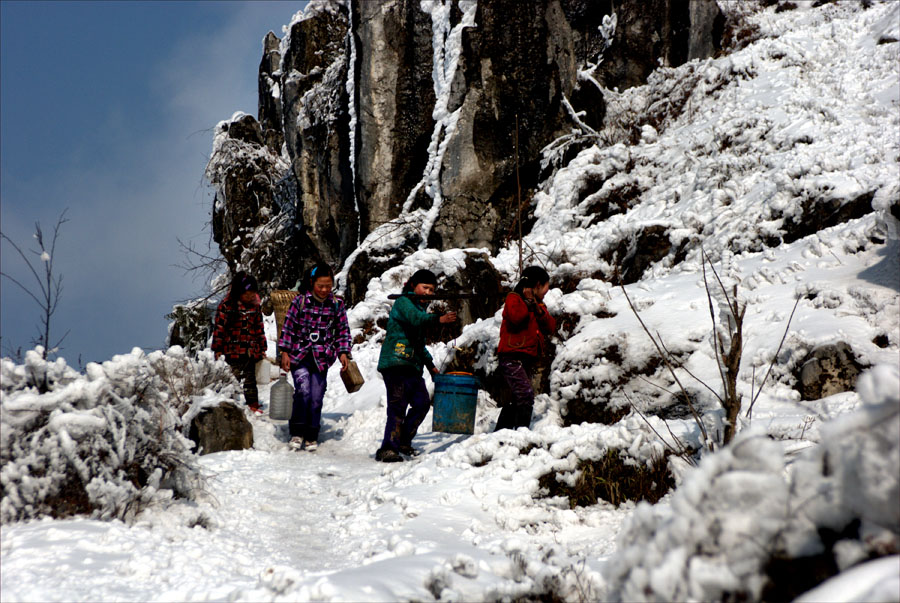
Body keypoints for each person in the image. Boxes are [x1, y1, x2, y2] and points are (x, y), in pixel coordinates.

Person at [376, 269, 457, 462]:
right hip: (395, 364)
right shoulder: (404, 303)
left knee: (421, 404)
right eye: (425, 288)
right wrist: (439, 319)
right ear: (413, 285)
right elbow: (416, 319)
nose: (428, 293)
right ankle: (388, 448)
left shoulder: (421, 310)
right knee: (397, 407)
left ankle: (403, 441)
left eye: (432, 289)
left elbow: (419, 345)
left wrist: (431, 366)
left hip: (412, 367)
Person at [279, 263, 351, 451]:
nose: (325, 290)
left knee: (317, 396)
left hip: (322, 358)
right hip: (299, 355)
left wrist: (343, 352)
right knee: (303, 392)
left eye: (328, 285)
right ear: (312, 283)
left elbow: (343, 331)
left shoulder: (336, 304)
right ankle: (297, 431)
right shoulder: (300, 302)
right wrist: (285, 352)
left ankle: (311, 433)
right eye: (321, 286)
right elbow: (288, 327)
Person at [494, 266, 556, 431]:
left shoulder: (538, 304)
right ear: (536, 285)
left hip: (526, 357)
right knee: (525, 395)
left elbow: (550, 326)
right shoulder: (514, 298)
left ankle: (501, 432)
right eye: (545, 288)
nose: (545, 293)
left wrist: (536, 307)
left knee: (517, 397)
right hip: (511, 356)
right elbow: (516, 318)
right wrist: (528, 303)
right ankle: (521, 432)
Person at [212, 271, 267, 413]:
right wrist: (217, 349)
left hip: (250, 350)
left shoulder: (255, 306)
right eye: (246, 294)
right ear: (238, 292)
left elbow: (259, 328)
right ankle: (228, 402)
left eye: (252, 294)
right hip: (231, 350)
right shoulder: (227, 306)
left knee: (250, 378)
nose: (250, 297)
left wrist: (262, 347)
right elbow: (219, 328)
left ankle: (253, 404)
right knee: (232, 378)